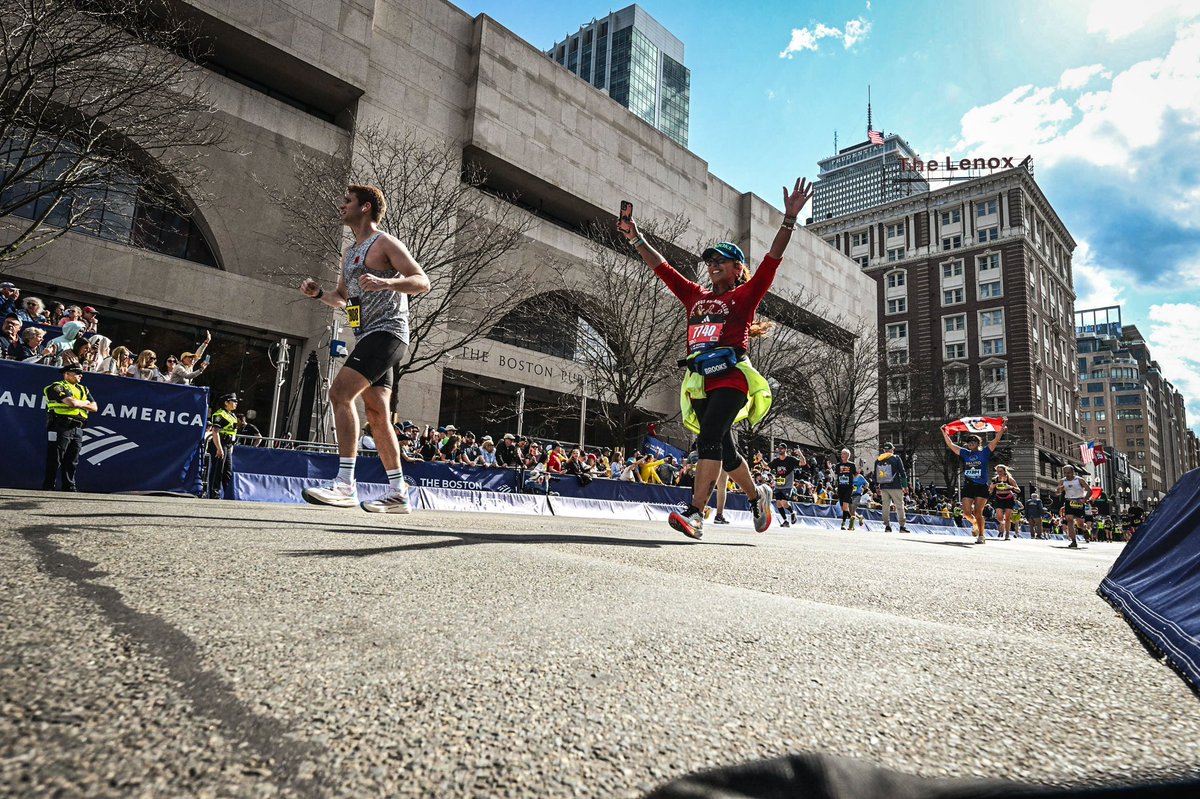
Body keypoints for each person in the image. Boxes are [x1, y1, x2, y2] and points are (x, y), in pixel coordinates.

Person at [618, 177, 812, 539]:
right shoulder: (694, 296)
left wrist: (788, 220)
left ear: (738, 269)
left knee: (708, 437)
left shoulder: (745, 296)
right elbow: (662, 268)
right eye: (709, 262)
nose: (712, 265)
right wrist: (635, 237)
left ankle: (695, 513)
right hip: (701, 381)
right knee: (725, 449)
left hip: (733, 378)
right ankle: (758, 496)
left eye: (721, 260)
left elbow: (772, 260)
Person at [299, 184, 430, 513]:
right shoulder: (349, 252)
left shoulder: (384, 243)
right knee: (377, 414)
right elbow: (343, 298)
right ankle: (399, 494)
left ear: (366, 207)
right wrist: (319, 294)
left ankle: (345, 485)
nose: (342, 205)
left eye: (348, 201)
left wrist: (388, 282)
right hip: (368, 335)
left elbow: (421, 281)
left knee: (339, 393)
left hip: (388, 333)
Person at [940, 420, 1006, 544]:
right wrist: (944, 433)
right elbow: (951, 445)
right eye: (969, 442)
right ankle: (975, 523)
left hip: (981, 486)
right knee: (966, 513)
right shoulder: (965, 453)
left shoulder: (984, 453)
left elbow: (996, 440)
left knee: (978, 511)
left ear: (978, 443)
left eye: (973, 441)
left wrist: (1002, 428)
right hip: (968, 485)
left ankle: (981, 535)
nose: (970, 443)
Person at [42, 363, 98, 491]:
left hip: (78, 427)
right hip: (61, 425)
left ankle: (69, 487)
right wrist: (84, 403)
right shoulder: (57, 386)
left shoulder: (84, 389)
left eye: (81, 373)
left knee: (73, 460)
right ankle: (49, 487)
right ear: (67, 374)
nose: (81, 376)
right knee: (55, 458)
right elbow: (71, 402)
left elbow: (95, 407)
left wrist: (79, 404)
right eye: (77, 373)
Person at [207, 393, 239, 499]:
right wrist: (219, 448)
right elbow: (215, 432)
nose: (236, 403)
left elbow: (233, 432)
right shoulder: (220, 414)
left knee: (227, 471)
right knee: (218, 470)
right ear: (226, 403)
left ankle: (228, 494)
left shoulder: (232, 415)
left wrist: (231, 447)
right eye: (233, 401)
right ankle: (214, 494)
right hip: (220, 444)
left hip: (228, 445)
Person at [874, 442, 910, 533]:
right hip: (896, 486)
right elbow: (902, 472)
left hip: (883, 486)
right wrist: (905, 485)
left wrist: (876, 487)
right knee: (899, 506)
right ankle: (902, 526)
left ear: (883, 450)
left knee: (885, 507)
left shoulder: (878, 460)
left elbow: (875, 475)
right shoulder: (896, 458)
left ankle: (887, 526)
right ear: (891, 450)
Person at [1056, 465, 1091, 549]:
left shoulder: (1079, 480)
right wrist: (1059, 490)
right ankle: (1073, 541)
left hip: (1079, 501)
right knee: (1069, 520)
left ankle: (1085, 529)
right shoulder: (1062, 481)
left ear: (1073, 472)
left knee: (1080, 524)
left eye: (1068, 473)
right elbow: (1057, 493)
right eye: (1065, 473)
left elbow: (1089, 491)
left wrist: (1085, 499)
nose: (1067, 475)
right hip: (1068, 501)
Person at [768, 445, 801, 528]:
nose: (780, 450)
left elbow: (803, 463)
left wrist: (800, 454)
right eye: (779, 449)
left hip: (787, 485)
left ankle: (792, 512)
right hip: (778, 485)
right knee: (778, 503)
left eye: (782, 449)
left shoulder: (790, 459)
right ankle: (785, 521)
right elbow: (767, 466)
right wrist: (760, 460)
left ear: (785, 449)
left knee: (783, 502)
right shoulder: (776, 461)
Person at [990, 464, 1018, 540]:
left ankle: (1007, 534)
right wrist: (991, 488)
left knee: (1008, 517)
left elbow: (1018, 490)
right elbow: (990, 491)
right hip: (999, 498)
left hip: (1009, 498)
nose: (999, 472)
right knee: (999, 517)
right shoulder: (995, 479)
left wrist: (1011, 487)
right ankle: (1003, 523)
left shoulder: (1010, 479)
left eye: (1001, 471)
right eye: (997, 471)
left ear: (1004, 471)